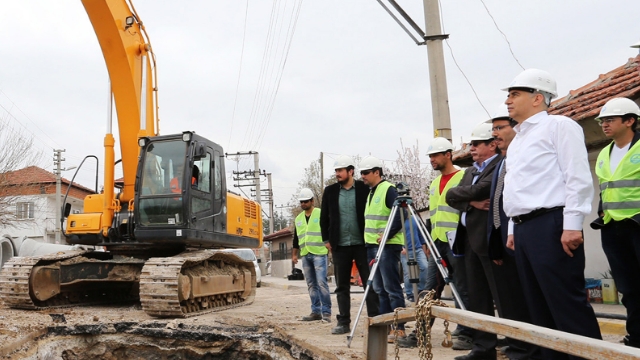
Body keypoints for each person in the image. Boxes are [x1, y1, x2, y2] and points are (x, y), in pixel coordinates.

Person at [502, 68, 602, 359]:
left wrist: (572, 224)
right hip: (524, 229)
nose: (508, 101)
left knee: (565, 303)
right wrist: (512, 229)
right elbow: (517, 188)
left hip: (552, 224)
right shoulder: (519, 139)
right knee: (537, 306)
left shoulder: (559, 126)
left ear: (537, 98)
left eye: (515, 94)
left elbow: (577, 177)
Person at [486, 104, 542, 359]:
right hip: (504, 240)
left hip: (524, 235)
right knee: (510, 301)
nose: (495, 134)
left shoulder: (521, 157)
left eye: (500, 128)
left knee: (527, 298)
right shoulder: (502, 163)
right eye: (493, 129)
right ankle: (520, 348)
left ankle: (535, 349)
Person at [445, 122, 502, 360]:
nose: (472, 149)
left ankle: (516, 345)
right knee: (477, 296)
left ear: (492, 144)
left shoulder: (499, 166)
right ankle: (483, 347)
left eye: (477, 144)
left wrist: (472, 194)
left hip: (491, 241)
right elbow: (451, 195)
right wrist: (472, 203)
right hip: (469, 242)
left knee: (501, 295)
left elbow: (485, 189)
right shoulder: (469, 171)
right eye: (471, 144)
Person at [592, 97, 640, 348]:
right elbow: (606, 188)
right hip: (612, 227)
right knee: (628, 288)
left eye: (610, 119)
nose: (604, 125)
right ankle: (637, 337)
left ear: (630, 121)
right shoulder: (604, 153)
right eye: (602, 121)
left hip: (637, 225)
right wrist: (602, 211)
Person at [418, 137, 473, 349]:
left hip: (457, 241)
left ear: (448, 155)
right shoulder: (433, 184)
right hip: (437, 242)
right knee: (429, 288)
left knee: (462, 286)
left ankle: (466, 331)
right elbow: (432, 215)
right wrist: (427, 240)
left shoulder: (462, 177)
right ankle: (422, 329)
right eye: (430, 156)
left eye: (435, 155)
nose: (432, 160)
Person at [320, 155, 380, 335]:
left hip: (363, 244)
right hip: (340, 245)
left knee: (369, 283)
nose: (337, 174)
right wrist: (326, 240)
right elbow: (324, 218)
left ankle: (374, 320)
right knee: (342, 286)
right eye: (336, 171)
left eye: (340, 170)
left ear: (350, 171)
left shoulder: (364, 188)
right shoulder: (330, 191)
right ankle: (343, 322)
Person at [359, 155, 406, 343]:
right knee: (379, 289)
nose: (362, 176)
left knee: (391, 287)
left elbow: (402, 212)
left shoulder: (388, 190)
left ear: (376, 172)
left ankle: (399, 327)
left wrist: (387, 233)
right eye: (361, 172)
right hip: (372, 246)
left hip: (387, 246)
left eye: (366, 172)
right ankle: (387, 326)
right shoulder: (372, 192)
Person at [292, 188, 331, 322]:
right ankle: (316, 311)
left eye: (306, 201)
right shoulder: (298, 219)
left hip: (319, 253)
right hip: (306, 254)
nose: (303, 204)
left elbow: (328, 230)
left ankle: (326, 312)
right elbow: (296, 238)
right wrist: (294, 254)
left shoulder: (320, 214)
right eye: (301, 202)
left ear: (312, 201)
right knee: (311, 284)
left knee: (321, 283)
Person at [400, 216, 429, 303]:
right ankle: (409, 293)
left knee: (425, 267)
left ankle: (420, 289)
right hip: (405, 250)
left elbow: (420, 234)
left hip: (418, 248)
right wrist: (401, 248)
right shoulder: (399, 219)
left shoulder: (415, 219)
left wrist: (424, 249)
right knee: (408, 273)